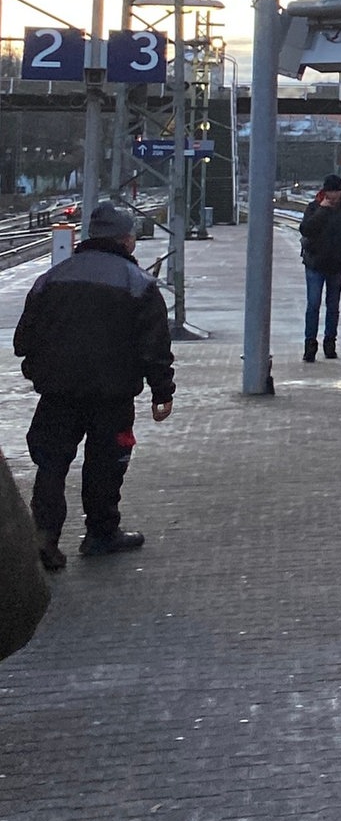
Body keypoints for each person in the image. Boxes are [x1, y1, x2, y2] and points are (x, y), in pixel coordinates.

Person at [13, 201, 175, 570]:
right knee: (105, 464)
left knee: (51, 464)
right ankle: (101, 534)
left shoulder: (51, 279)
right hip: (112, 397)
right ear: (126, 240)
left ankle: (46, 537)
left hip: (57, 394)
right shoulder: (139, 284)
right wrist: (162, 392)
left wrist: (41, 370)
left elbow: (23, 340)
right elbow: (154, 349)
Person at [298, 172, 341, 361]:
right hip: (315, 263)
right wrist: (323, 210)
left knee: (333, 306)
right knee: (313, 304)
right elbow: (306, 229)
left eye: (335, 192)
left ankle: (330, 343)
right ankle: (310, 345)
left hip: (337, 265)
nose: (332, 196)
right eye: (329, 192)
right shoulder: (314, 208)